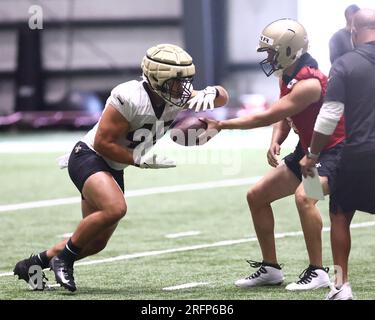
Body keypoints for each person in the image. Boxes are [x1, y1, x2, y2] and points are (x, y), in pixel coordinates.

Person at [13, 43, 229, 292]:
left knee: (94, 242)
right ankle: (64, 259)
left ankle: (33, 264)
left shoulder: (177, 95)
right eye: (176, 82)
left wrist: (211, 92)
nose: (183, 88)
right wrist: (138, 159)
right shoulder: (129, 97)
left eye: (186, 81)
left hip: (113, 167)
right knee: (115, 208)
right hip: (89, 157)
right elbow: (103, 143)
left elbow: (223, 97)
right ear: (157, 79)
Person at [201, 18, 346, 290]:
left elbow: (269, 114)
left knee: (305, 198)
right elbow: (284, 112)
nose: (267, 58)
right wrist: (276, 140)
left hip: (329, 153)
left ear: (288, 49)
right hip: (308, 151)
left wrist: (221, 124)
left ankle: (318, 272)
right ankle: (270, 269)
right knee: (257, 195)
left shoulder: (309, 84)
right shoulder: (288, 74)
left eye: (270, 52)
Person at [300, 8, 375, 300]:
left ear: (353, 32)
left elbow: (329, 116)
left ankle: (341, 286)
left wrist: (312, 154)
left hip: (358, 153)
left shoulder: (345, 64)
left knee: (340, 215)